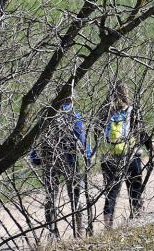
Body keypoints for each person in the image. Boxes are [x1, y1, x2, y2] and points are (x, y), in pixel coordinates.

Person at [30, 97, 93, 239]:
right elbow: (81, 137)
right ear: (71, 100)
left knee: (50, 197)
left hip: (49, 162)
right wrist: (88, 154)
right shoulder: (73, 116)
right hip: (70, 161)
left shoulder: (46, 115)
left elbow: (33, 139)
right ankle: (79, 231)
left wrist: (35, 158)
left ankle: (53, 232)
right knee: (75, 197)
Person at [99, 82, 153, 226]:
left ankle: (107, 229)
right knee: (135, 190)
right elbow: (140, 131)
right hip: (130, 155)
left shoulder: (104, 112)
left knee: (111, 194)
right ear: (126, 93)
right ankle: (137, 221)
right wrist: (150, 145)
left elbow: (97, 132)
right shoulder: (131, 110)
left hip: (109, 157)